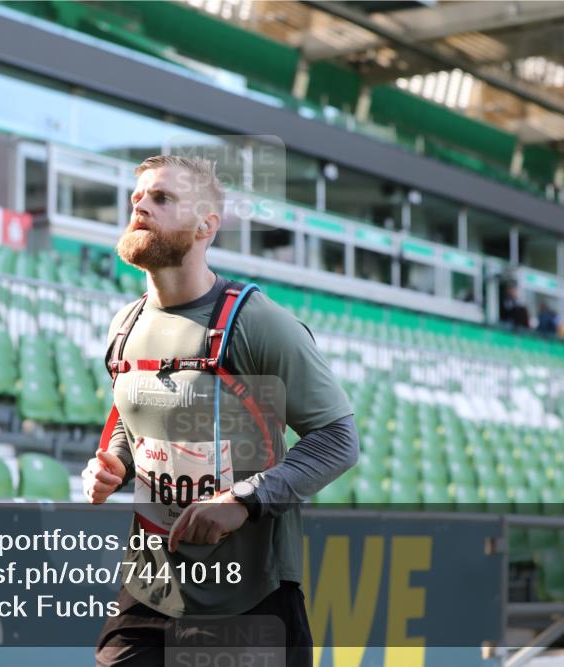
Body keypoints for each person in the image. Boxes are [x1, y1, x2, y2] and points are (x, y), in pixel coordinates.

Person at [82, 155, 358, 667]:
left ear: (207, 226)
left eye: (162, 198)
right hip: (151, 588)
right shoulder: (125, 323)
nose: (140, 204)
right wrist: (114, 464)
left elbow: (338, 439)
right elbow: (134, 417)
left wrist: (243, 499)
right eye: (137, 197)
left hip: (249, 598)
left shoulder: (258, 323)